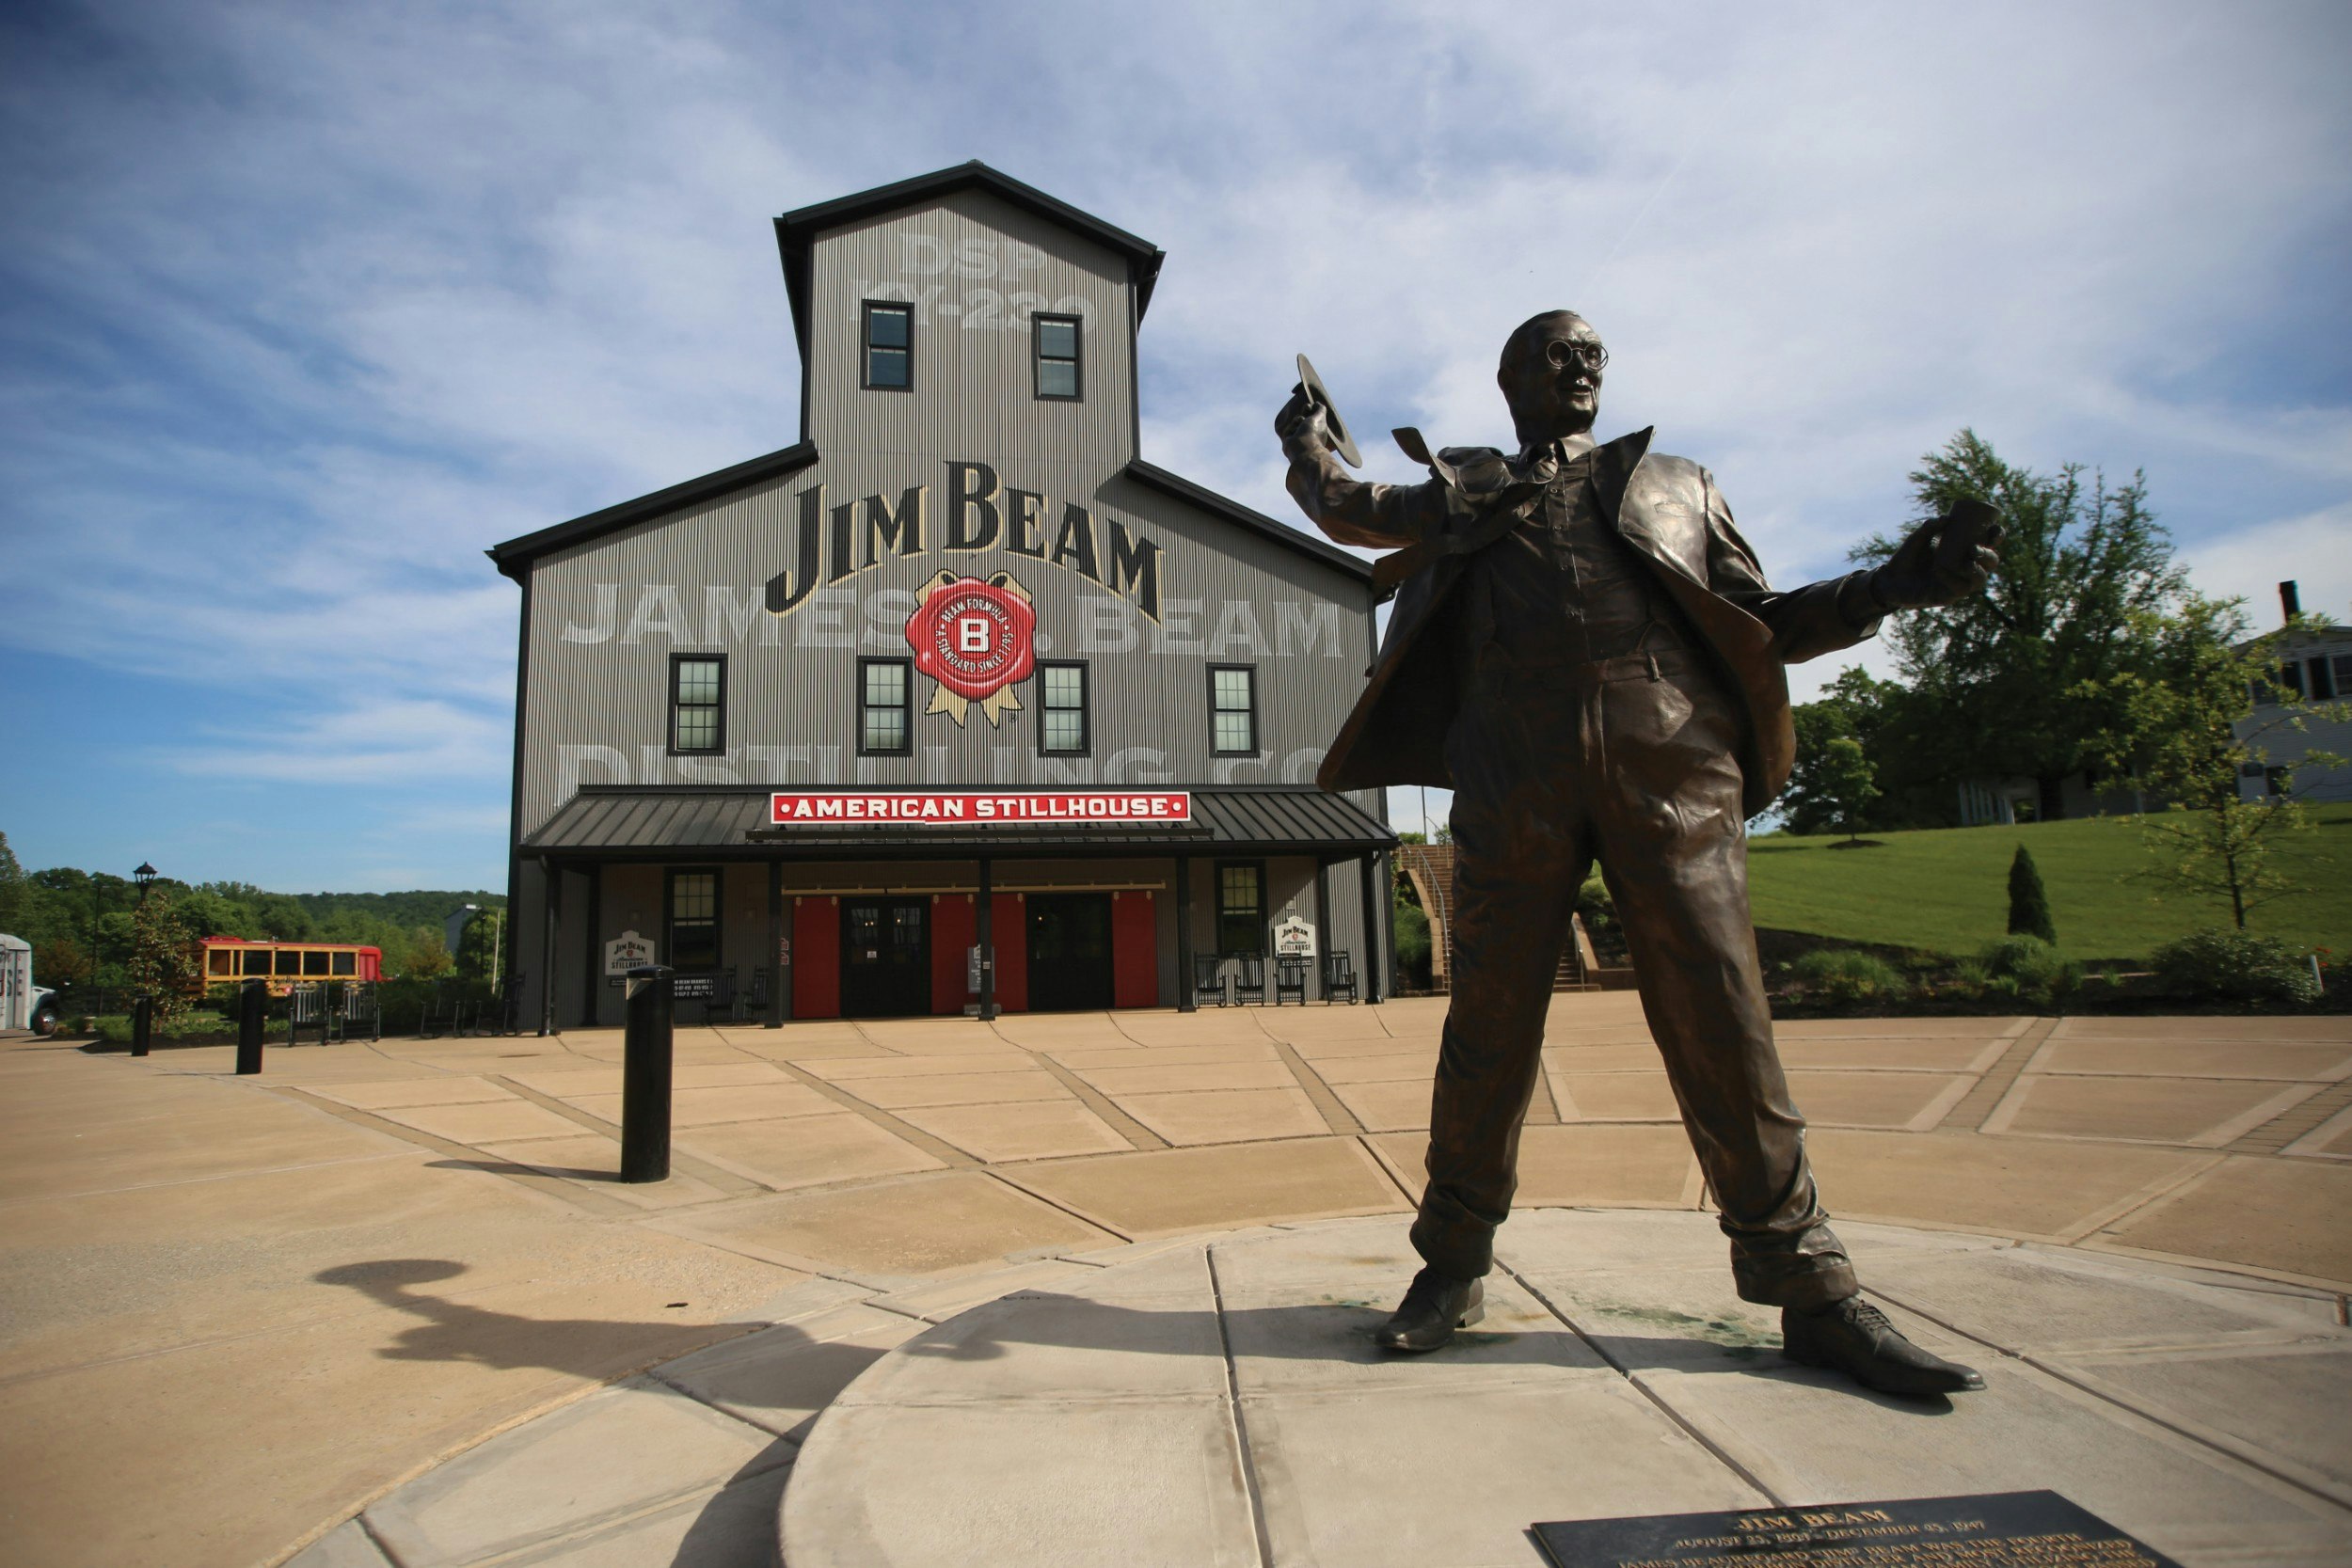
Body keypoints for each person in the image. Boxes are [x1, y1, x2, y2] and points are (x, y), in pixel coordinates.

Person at [1276, 310, 2001, 1397]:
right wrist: (1308, 442)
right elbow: (1349, 509)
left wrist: (1890, 585)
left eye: (1594, 354)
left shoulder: (1677, 485)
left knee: (1724, 1017)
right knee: (1488, 1026)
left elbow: (1763, 620)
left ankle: (1809, 1286)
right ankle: (1452, 1263)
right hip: (1511, 773)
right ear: (1512, 377)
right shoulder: (1464, 484)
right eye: (1558, 351)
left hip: (1672, 767)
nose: (1583, 364)